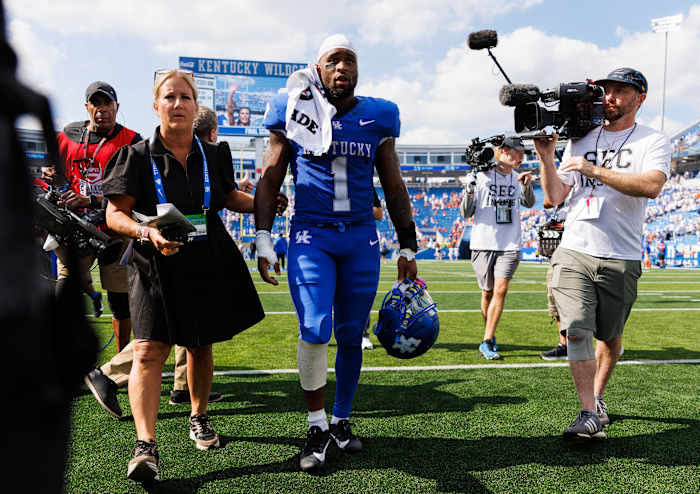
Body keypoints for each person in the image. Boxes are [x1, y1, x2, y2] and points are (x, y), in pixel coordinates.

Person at [254, 34, 418, 473]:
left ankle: (341, 420)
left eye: (349, 60)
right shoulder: (291, 108)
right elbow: (270, 177)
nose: (342, 67)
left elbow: (394, 184)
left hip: (362, 237)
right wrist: (263, 235)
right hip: (312, 236)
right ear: (318, 68)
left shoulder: (379, 115)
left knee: (349, 333)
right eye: (333, 61)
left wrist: (407, 243)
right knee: (313, 326)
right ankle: (315, 424)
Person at [102, 69, 265, 483]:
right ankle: (146, 446)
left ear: (196, 108)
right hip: (152, 261)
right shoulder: (137, 156)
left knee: (199, 343)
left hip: (204, 257)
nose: (177, 104)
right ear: (156, 106)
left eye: (185, 97)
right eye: (169, 97)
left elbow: (229, 198)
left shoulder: (215, 154)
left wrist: (264, 201)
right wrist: (146, 232)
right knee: (147, 350)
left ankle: (199, 417)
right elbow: (114, 213)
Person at [534, 67, 669, 440]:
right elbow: (553, 198)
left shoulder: (652, 140)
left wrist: (595, 169)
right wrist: (547, 158)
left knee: (609, 338)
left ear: (639, 98)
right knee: (576, 330)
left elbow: (651, 186)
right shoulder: (581, 138)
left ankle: (597, 399)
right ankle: (588, 412)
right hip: (575, 248)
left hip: (621, 253)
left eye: (620, 91)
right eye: (607, 90)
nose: (609, 97)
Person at [50, 81, 142, 352]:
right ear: (87, 107)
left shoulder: (132, 141)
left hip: (115, 227)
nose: (102, 110)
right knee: (65, 292)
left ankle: (121, 358)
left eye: (107, 104)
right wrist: (54, 179)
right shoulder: (68, 135)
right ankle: (61, 358)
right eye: (96, 104)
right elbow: (54, 170)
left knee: (120, 299)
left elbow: (135, 190)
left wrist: (91, 199)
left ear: (117, 107)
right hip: (76, 227)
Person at [460, 136, 535, 359]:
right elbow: (465, 213)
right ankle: (490, 334)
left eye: (523, 153)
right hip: (483, 243)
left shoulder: (517, 177)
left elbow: (529, 203)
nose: (521, 157)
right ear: (502, 151)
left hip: (510, 242)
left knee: (501, 290)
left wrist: (527, 187)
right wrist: (469, 191)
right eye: (517, 152)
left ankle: (485, 340)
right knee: (487, 292)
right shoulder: (480, 177)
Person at [362, 189, 384, 350]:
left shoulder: (361, 175)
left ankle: (363, 334)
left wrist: (350, 206)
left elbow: (378, 213)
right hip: (323, 237)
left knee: (360, 293)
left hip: (359, 240)